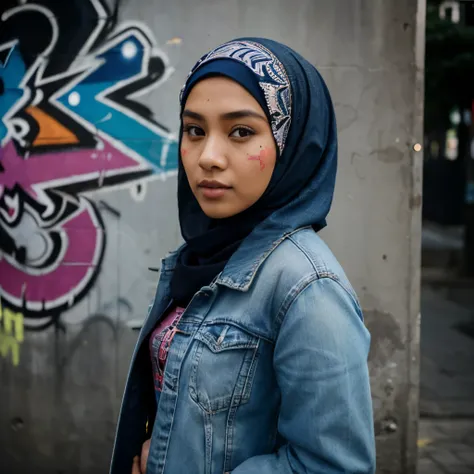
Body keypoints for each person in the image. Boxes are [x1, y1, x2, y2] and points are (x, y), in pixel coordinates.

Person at [110, 37, 376, 474]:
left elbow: (332, 466)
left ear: (294, 144)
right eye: (195, 130)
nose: (208, 158)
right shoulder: (201, 257)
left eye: (241, 132)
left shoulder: (307, 288)